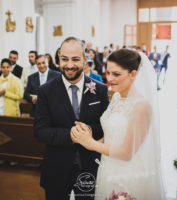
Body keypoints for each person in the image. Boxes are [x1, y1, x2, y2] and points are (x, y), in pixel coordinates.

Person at [71, 49, 165, 200]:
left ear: (133, 74)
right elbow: (111, 135)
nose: (109, 78)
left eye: (116, 74)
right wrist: (87, 136)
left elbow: (127, 153)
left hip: (128, 175)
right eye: (108, 73)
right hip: (108, 168)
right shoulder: (116, 98)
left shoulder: (141, 106)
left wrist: (91, 144)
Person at [34, 37, 109, 200]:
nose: (69, 65)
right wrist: (71, 135)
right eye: (64, 59)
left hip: (91, 166)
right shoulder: (45, 91)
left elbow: (106, 127)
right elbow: (40, 131)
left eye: (75, 59)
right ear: (58, 59)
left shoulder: (100, 90)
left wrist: (89, 130)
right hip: (56, 166)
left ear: (85, 60)